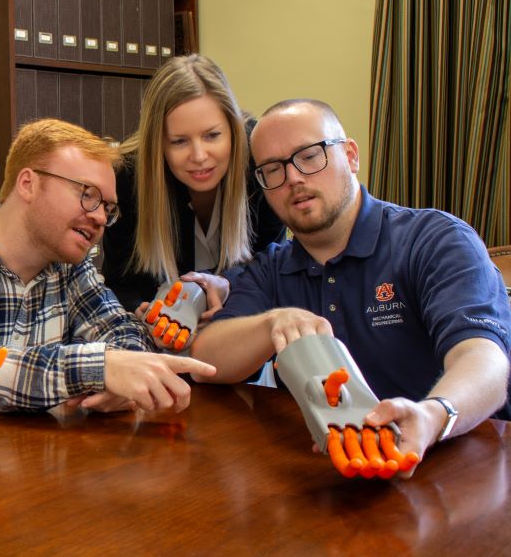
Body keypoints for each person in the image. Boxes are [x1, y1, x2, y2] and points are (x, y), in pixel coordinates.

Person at [189, 99, 511, 470]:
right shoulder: (272, 269)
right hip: (337, 472)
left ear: (351, 156)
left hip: (462, 462)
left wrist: (433, 416)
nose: (293, 178)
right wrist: (270, 323)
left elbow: (484, 358)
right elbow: (205, 360)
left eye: (309, 156)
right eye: (273, 170)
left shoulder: (435, 240)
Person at [0, 118, 215, 414]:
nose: (100, 217)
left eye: (108, 207)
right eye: (88, 194)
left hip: (43, 466)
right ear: (28, 184)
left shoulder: (71, 268)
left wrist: (124, 376)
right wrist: (99, 370)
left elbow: (121, 332)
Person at [101, 54, 284, 316]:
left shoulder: (261, 161)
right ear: (158, 144)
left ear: (233, 129)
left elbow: (271, 266)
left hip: (245, 321)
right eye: (179, 141)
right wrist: (137, 313)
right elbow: (120, 283)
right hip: (162, 339)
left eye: (212, 135)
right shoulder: (128, 177)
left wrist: (230, 285)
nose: (199, 156)